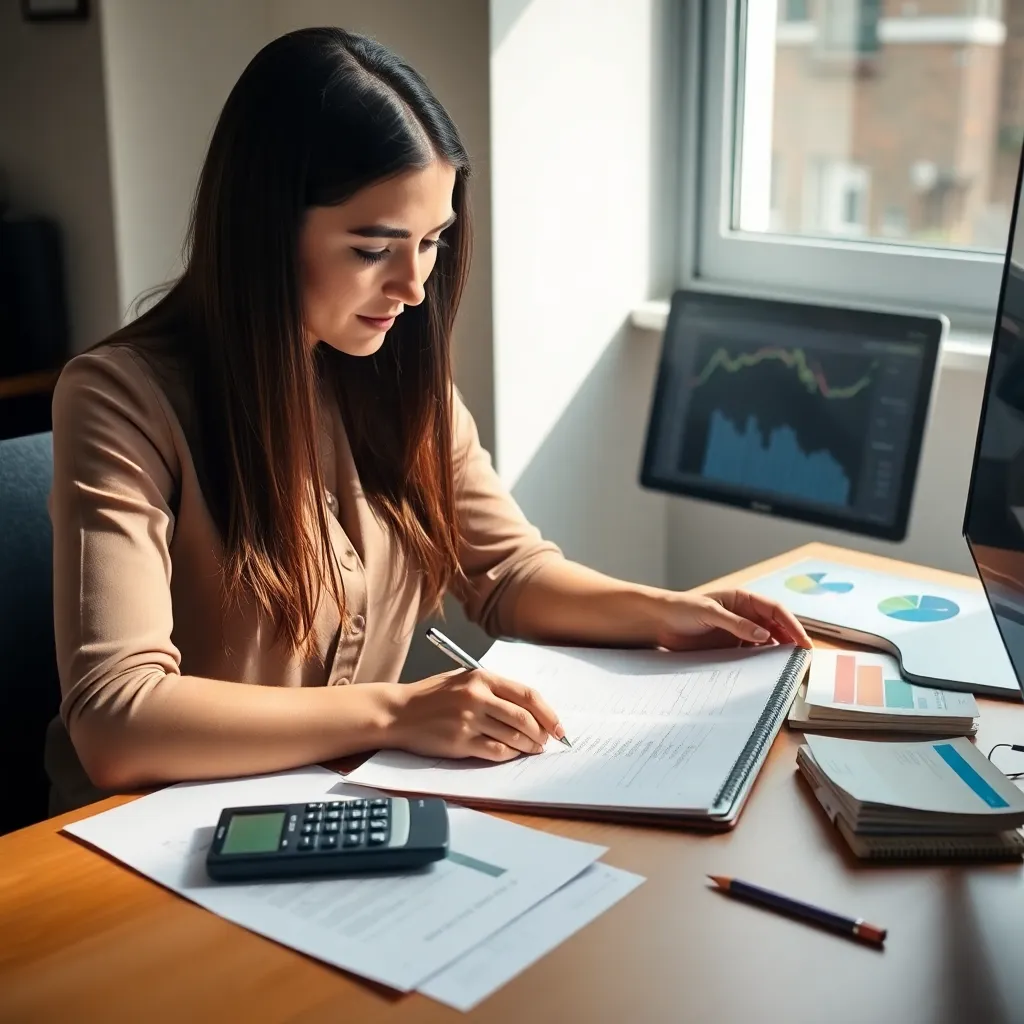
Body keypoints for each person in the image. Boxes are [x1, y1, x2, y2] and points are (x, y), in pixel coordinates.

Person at [46, 27, 810, 814]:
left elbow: (509, 573)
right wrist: (400, 710)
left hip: (332, 810)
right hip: (150, 834)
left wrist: (664, 613)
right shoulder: (120, 398)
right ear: (266, 229)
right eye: (374, 247)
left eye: (431, 242)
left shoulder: (397, 377)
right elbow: (116, 719)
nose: (413, 287)